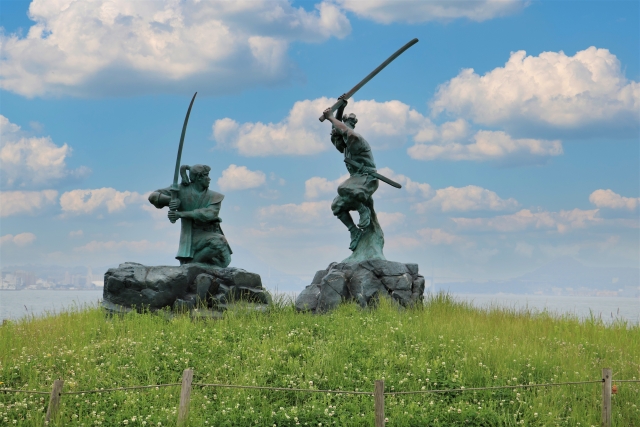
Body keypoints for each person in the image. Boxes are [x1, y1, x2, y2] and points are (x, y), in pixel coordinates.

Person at [148, 164, 232, 267]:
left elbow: (210, 214)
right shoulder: (181, 190)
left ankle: (193, 264)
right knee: (219, 242)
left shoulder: (214, 196)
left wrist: (180, 214)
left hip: (211, 233)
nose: (209, 179)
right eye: (206, 175)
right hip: (192, 236)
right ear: (198, 177)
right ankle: (192, 266)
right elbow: (153, 196)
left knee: (224, 262)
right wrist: (171, 200)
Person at [323, 101, 379, 251]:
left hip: (368, 178)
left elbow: (346, 132)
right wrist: (340, 109)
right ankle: (354, 232)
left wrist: (331, 117)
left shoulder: (356, 139)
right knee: (337, 206)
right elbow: (337, 132)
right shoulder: (345, 144)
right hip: (356, 180)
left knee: (343, 188)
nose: (336, 139)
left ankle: (363, 210)